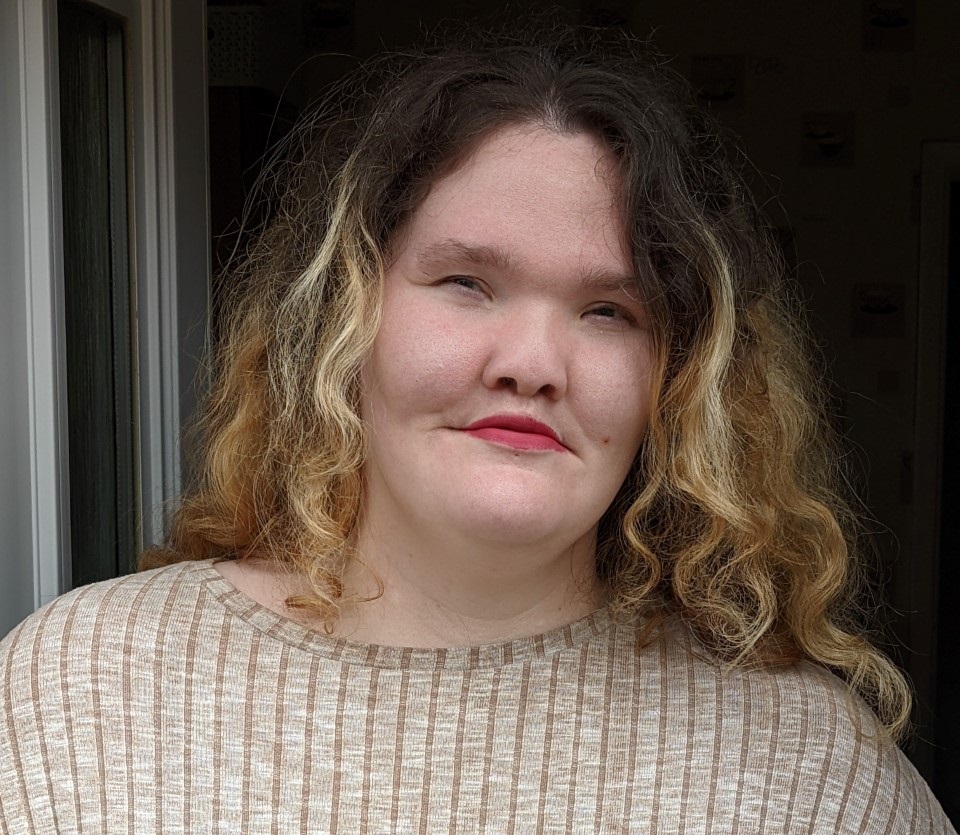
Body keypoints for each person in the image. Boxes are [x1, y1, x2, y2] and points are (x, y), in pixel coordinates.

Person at [0, 20, 954, 834]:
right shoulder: (73, 694)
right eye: (466, 282)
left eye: (609, 309)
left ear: (682, 374)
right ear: (345, 311)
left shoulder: (810, 774)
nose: (533, 362)